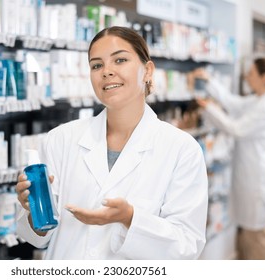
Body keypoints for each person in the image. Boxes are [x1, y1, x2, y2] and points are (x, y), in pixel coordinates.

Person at [16, 26, 208, 260]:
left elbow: (188, 246)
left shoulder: (181, 149)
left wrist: (130, 218)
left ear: (147, 71)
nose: (107, 71)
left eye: (120, 60)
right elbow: (37, 236)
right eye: (97, 65)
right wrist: (32, 210)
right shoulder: (60, 139)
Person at [195, 58, 265, 260]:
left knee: (257, 235)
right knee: (247, 234)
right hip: (248, 175)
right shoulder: (258, 99)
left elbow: (236, 129)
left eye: (251, 74)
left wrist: (209, 108)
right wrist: (209, 81)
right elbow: (233, 103)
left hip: (257, 178)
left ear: (264, 78)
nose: (247, 77)